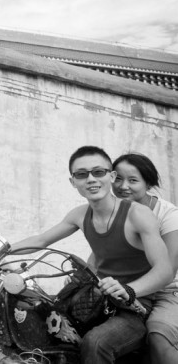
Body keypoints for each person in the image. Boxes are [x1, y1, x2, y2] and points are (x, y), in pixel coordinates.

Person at [10, 145, 172, 364]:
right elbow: (41, 240)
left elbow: (164, 270)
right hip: (93, 299)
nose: (91, 179)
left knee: (95, 343)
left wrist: (130, 290)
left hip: (134, 306)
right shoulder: (79, 215)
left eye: (98, 172)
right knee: (37, 321)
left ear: (111, 176)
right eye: (81, 174)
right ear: (73, 182)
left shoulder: (138, 215)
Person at [112, 153, 178, 364]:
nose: (123, 186)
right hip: (130, 289)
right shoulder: (112, 212)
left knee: (158, 337)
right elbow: (100, 255)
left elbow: (169, 269)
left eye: (133, 180)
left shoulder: (169, 215)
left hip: (168, 292)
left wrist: (128, 290)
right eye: (118, 178)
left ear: (148, 183)